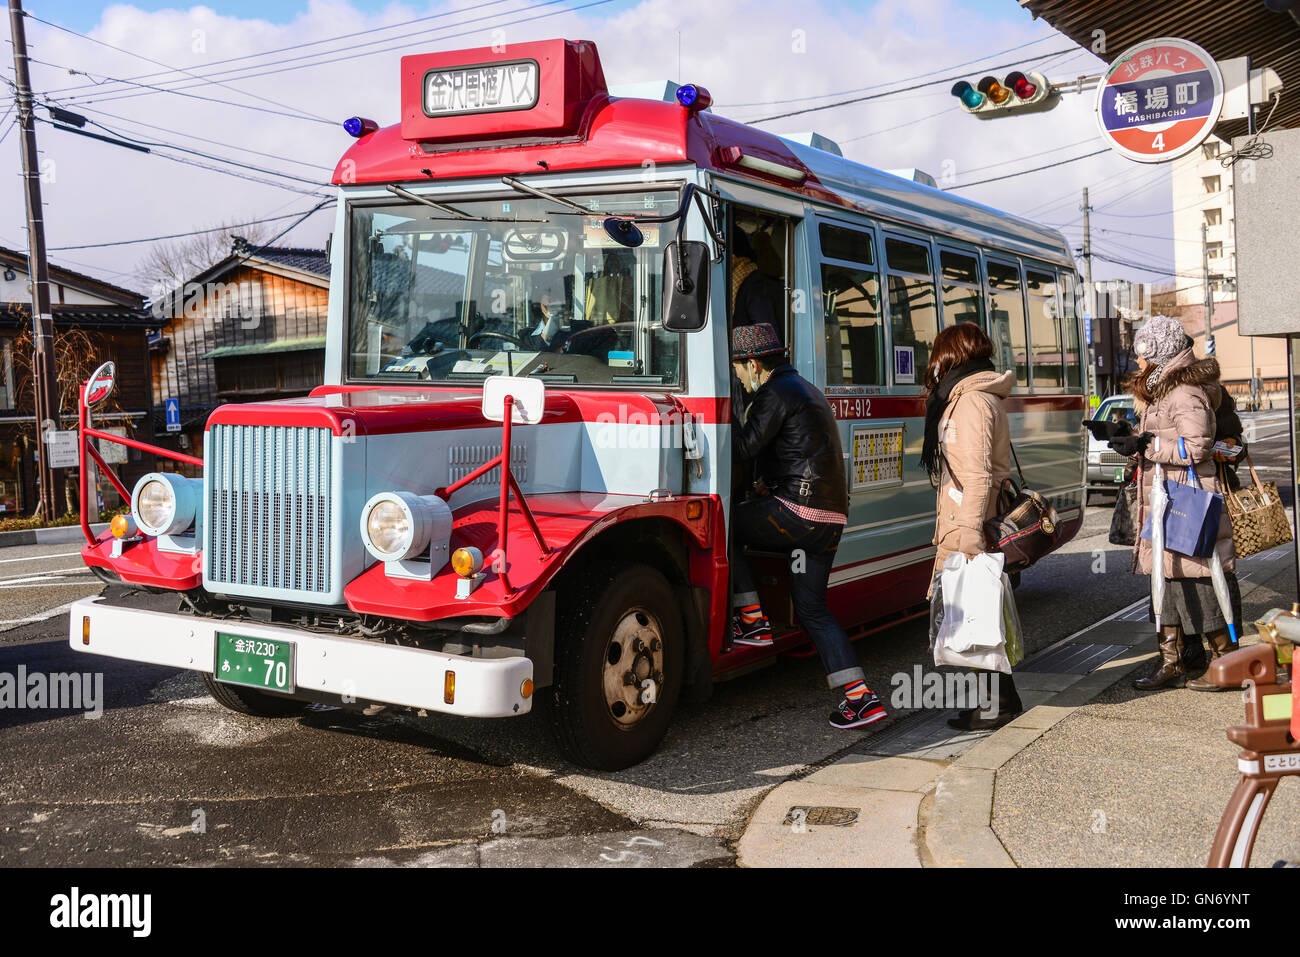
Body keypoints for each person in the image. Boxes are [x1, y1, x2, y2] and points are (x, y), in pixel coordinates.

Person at [727, 323, 887, 731]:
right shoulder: (806, 388)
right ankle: (861, 699)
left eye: (739, 370)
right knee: (813, 608)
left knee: (723, 528)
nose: (741, 379)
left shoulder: (773, 391)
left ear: (753, 363)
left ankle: (752, 622)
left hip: (798, 512)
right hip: (829, 519)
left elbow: (744, 448)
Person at [1108, 314, 1235, 691]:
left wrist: (1149, 446)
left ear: (1158, 354)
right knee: (1170, 578)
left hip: (1186, 496)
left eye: (1142, 355)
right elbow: (1164, 440)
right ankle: (1174, 660)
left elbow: (1197, 446)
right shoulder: (1164, 389)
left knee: (1200, 578)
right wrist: (1132, 443)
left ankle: (1224, 662)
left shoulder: (1183, 392)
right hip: (1167, 494)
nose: (1137, 363)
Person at [920, 321, 1024, 731]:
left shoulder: (970, 402)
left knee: (975, 614)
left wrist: (967, 535)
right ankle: (997, 701)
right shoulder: (974, 396)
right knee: (975, 614)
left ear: (951, 355)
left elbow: (979, 476)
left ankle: (995, 706)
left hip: (970, 523)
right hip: (971, 519)